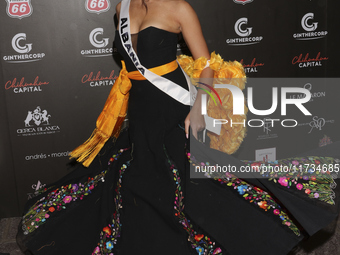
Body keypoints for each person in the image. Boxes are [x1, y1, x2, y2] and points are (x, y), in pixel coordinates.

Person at [16, 0, 340, 254]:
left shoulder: (179, 7)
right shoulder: (121, 9)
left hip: (175, 106)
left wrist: (198, 109)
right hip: (141, 107)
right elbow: (131, 67)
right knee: (139, 175)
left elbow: (207, 65)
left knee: (187, 180)